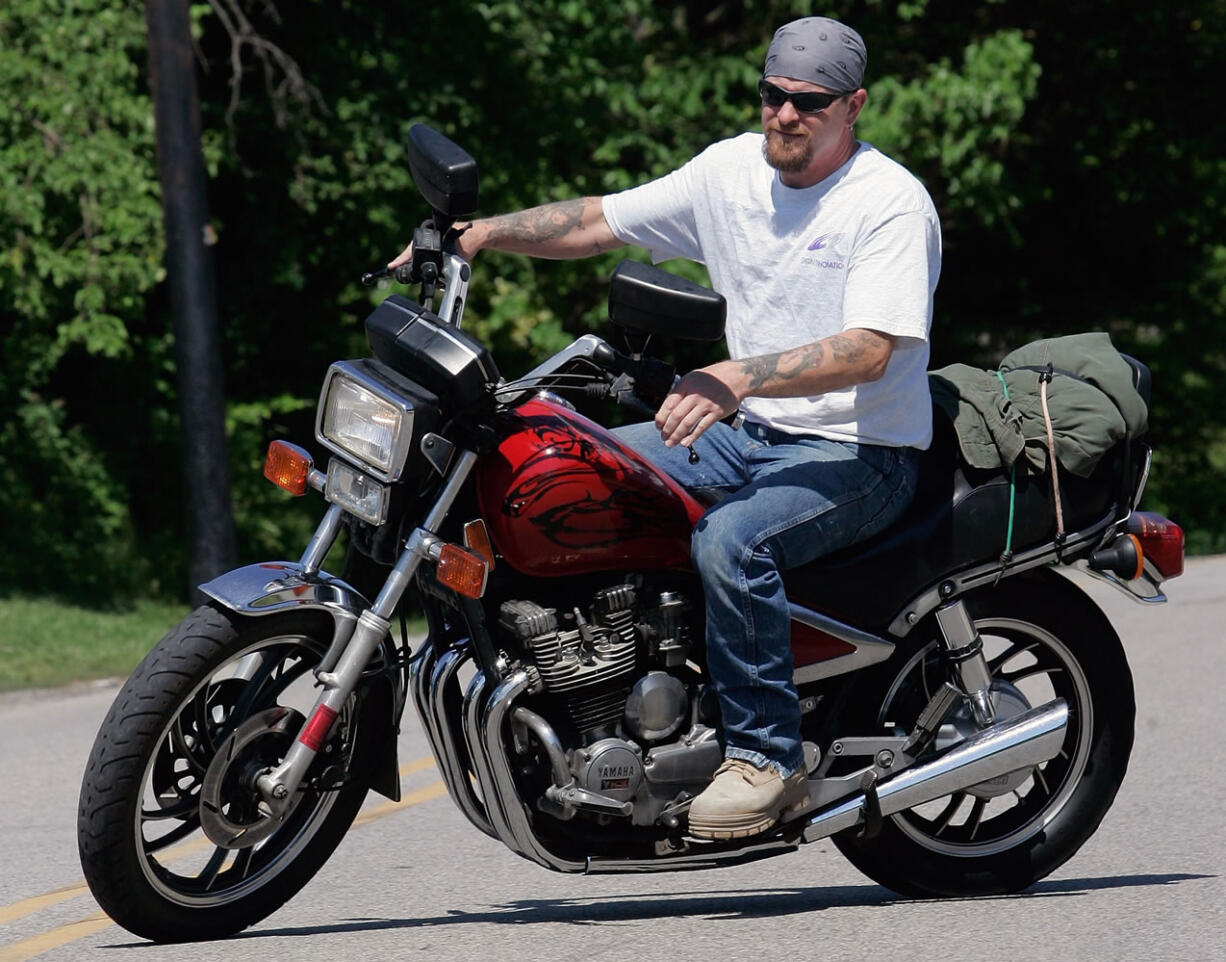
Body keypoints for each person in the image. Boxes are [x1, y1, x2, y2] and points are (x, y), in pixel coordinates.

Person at [390, 16, 941, 840]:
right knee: (568, 474)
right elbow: (598, 222)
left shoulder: (888, 203)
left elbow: (870, 351)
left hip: (859, 451)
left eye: (810, 103)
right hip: (747, 432)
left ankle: (767, 757)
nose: (785, 116)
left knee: (731, 543)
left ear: (853, 106)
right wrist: (483, 234)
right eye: (773, 96)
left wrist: (734, 376)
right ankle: (594, 690)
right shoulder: (730, 173)